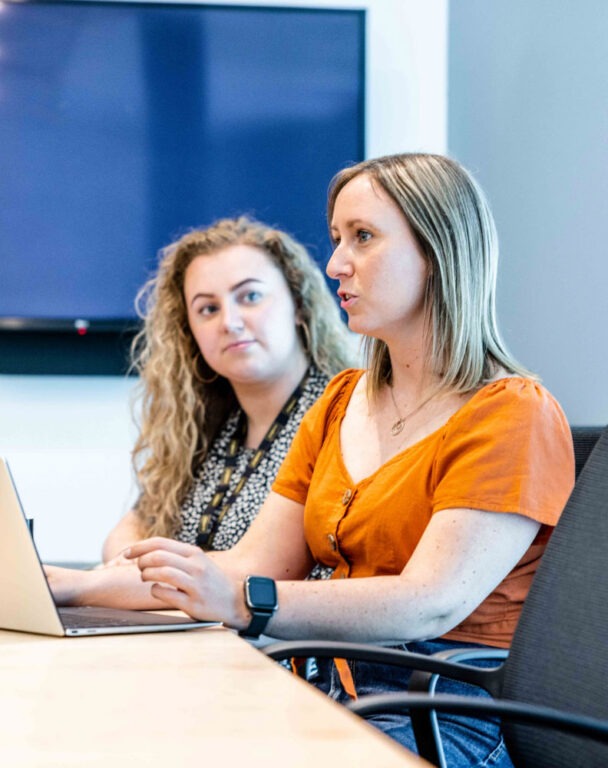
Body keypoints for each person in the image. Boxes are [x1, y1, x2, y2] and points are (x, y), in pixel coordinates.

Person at [56, 154, 574, 767]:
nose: (334, 265)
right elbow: (249, 563)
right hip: (322, 683)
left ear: (437, 252)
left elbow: (430, 600)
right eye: (336, 240)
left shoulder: (513, 412)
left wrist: (248, 600)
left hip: (441, 711)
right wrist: (71, 586)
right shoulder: (339, 403)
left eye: (363, 237)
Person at [46, 215, 354, 598]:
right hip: (193, 636)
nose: (231, 322)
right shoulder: (211, 423)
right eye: (208, 309)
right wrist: (126, 565)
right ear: (189, 330)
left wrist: (90, 585)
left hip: (282, 650)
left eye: (250, 296)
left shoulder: (343, 415)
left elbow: (251, 573)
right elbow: (131, 528)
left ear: (298, 306)